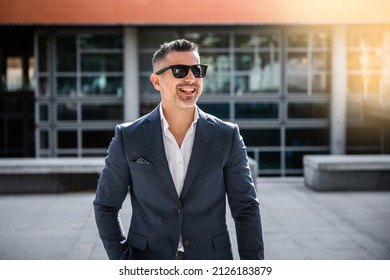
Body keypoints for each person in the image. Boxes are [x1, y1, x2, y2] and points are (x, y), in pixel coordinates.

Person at [93, 39, 264, 260]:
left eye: (197, 70)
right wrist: (122, 261)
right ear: (156, 81)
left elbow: (246, 208)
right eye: (180, 71)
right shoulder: (129, 136)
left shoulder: (226, 135)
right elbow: (106, 205)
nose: (191, 78)